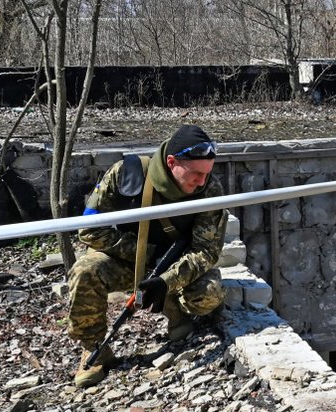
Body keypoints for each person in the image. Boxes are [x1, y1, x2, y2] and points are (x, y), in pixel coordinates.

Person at [68, 124, 227, 388]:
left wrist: (166, 281)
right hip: (125, 261)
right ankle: (95, 348)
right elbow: (89, 229)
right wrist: (143, 253)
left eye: (206, 174)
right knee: (85, 271)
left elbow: (206, 251)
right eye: (196, 174)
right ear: (171, 161)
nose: (201, 182)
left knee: (209, 292)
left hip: (174, 267)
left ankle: (177, 309)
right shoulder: (127, 174)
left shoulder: (210, 188)